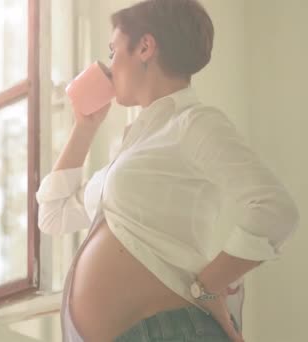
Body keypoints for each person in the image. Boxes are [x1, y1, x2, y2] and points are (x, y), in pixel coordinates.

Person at [35, 0, 300, 341]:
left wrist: (206, 288)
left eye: (113, 51)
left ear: (145, 47)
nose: (110, 65)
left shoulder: (193, 124)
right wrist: (84, 127)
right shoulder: (129, 154)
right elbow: (52, 213)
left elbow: (276, 210)